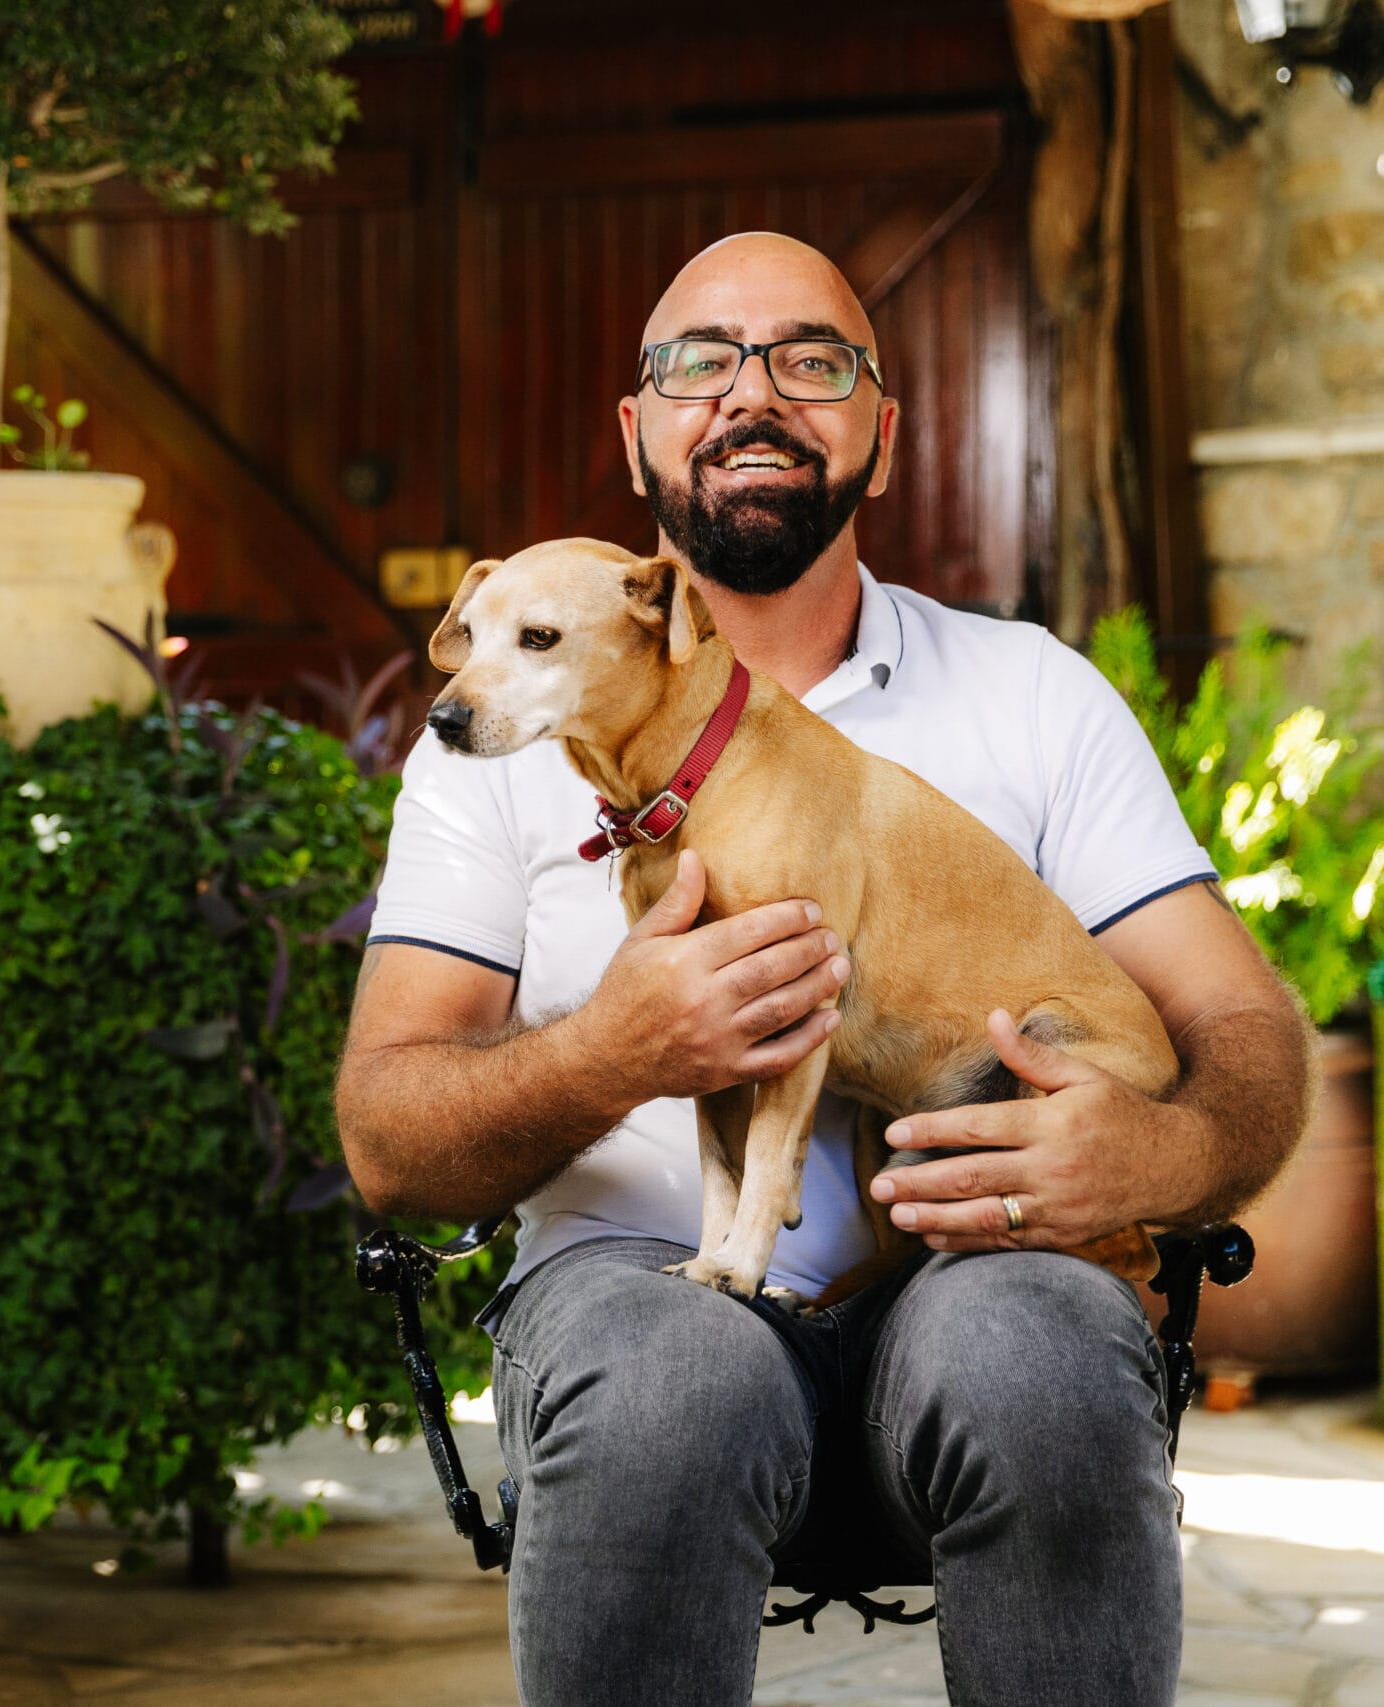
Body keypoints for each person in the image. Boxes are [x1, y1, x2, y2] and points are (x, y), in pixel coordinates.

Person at [334, 233, 1312, 1707]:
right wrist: (616, 1049)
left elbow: (1240, 1022)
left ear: (882, 433)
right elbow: (389, 1138)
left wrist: (1160, 1152)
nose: (752, 394)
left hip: (978, 1270)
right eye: (700, 363)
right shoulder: (501, 731)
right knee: (667, 1385)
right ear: (636, 431)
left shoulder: (1033, 694)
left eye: (812, 360)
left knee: (1041, 1365)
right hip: (631, 1283)